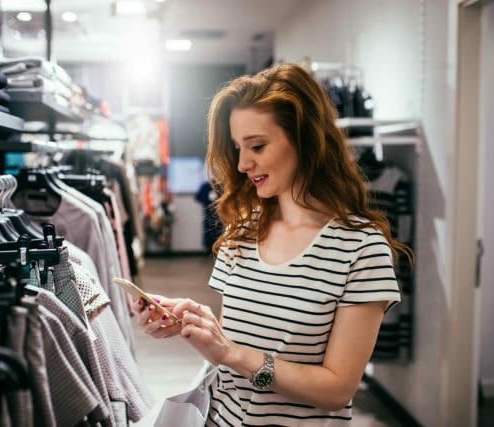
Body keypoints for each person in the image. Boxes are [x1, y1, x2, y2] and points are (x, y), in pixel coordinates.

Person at [132, 63, 411, 426]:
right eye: (237, 148)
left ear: (305, 140)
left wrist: (233, 354)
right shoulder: (244, 231)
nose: (244, 163)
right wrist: (195, 327)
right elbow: (233, 347)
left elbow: (338, 388)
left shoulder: (360, 248)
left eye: (257, 146)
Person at [194, 180, 223, 254]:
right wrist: (207, 198)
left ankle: (217, 250)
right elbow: (197, 197)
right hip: (208, 215)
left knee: (219, 233)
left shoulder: (221, 185)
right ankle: (209, 250)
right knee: (208, 233)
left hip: (220, 215)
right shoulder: (205, 186)